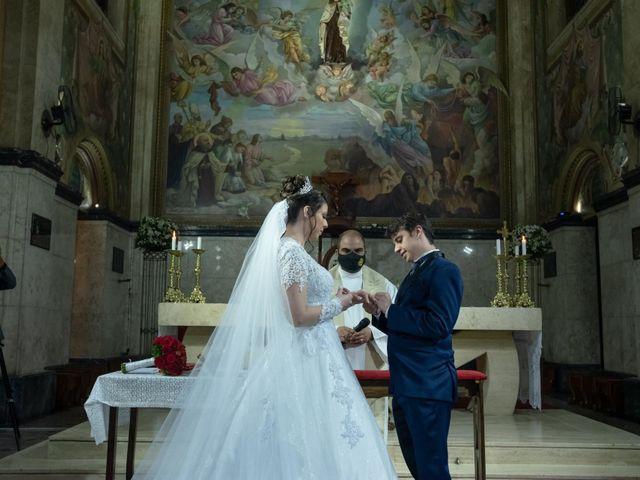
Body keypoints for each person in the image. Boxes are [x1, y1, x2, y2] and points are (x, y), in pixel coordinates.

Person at [134, 175, 396, 479]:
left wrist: (340, 297)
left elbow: (305, 304)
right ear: (307, 213)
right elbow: (298, 317)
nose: (325, 224)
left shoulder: (294, 251)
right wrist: (343, 304)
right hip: (305, 356)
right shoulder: (291, 252)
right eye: (322, 216)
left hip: (316, 354)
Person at [364, 211, 463, 480]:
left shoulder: (445, 270)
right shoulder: (415, 272)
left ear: (418, 231)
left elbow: (439, 325)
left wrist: (392, 311)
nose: (396, 248)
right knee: (418, 466)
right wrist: (380, 313)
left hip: (428, 384)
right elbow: (409, 326)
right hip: (408, 383)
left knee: (431, 468)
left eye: (399, 239)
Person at [329, 229, 396, 435]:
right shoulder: (323, 281)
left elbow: (396, 320)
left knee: (369, 427)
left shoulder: (382, 283)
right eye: (346, 250)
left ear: (365, 251)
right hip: (334, 357)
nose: (352, 255)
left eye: (358, 250)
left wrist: (372, 332)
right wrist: (335, 331)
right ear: (337, 251)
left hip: (371, 355)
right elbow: (308, 319)